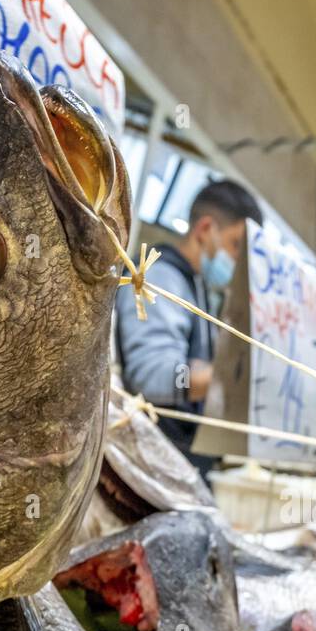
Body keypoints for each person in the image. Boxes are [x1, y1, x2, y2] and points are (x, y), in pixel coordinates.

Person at [115, 178, 263, 475]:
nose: (239, 261)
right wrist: (238, 376)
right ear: (205, 230)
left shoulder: (197, 286)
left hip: (179, 462)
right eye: (236, 246)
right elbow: (151, 375)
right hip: (149, 466)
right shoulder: (161, 279)